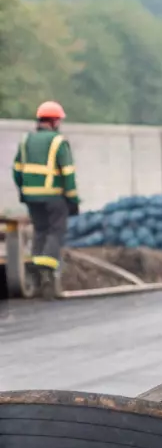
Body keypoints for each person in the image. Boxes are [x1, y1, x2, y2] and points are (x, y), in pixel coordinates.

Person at [11, 101, 79, 299]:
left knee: (40, 231)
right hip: (53, 196)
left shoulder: (25, 141)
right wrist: (72, 199)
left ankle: (36, 275)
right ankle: (47, 275)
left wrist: (23, 191)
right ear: (54, 121)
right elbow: (68, 173)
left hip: (31, 196)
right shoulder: (58, 142)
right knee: (56, 231)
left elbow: (16, 171)